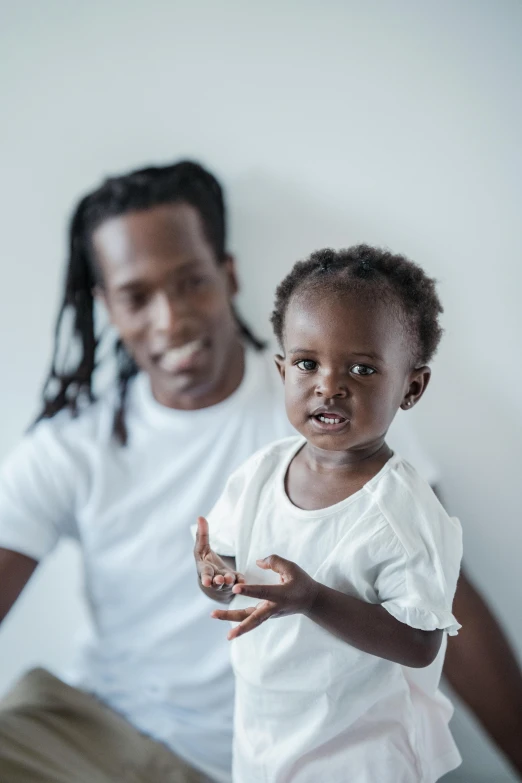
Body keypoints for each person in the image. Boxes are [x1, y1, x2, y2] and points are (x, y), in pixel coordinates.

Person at [0, 161, 520, 782]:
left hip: (276, 759)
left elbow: (438, 600)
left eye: (190, 282)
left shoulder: (350, 418)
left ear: (227, 275)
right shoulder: (72, 446)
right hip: (93, 733)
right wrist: (214, 576)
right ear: (106, 307)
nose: (170, 320)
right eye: (137, 297)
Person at [194, 245, 462, 781]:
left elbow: (419, 643)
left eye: (362, 369)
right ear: (282, 370)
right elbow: (229, 579)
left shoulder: (403, 513)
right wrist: (212, 574)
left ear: (411, 387)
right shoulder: (260, 474)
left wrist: (313, 599)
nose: (329, 385)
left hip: (359, 752)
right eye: (307, 363)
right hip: (266, 735)